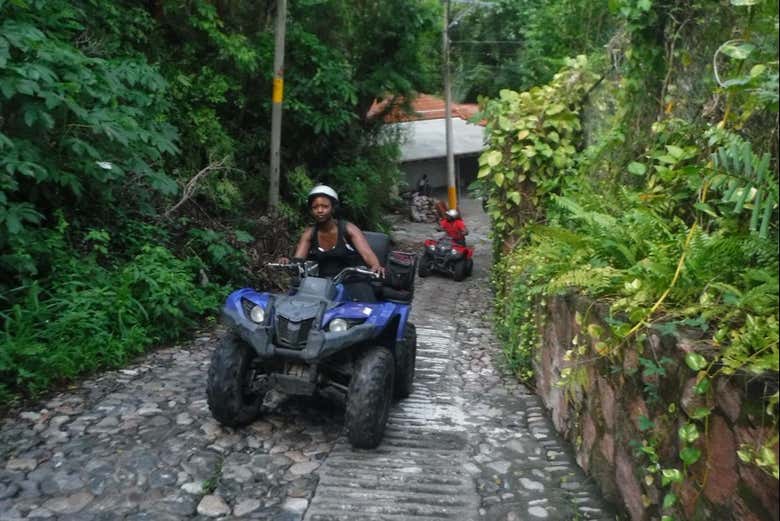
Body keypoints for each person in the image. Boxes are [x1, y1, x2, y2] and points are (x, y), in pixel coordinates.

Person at [283, 185, 385, 301]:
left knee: (366, 311)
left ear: (333, 208)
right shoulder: (309, 234)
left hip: (353, 280)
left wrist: (375, 265)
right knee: (294, 303)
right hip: (322, 284)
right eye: (315, 207)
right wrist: (289, 263)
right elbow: (298, 260)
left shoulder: (349, 229)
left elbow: (367, 253)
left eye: (325, 206)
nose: (320, 210)